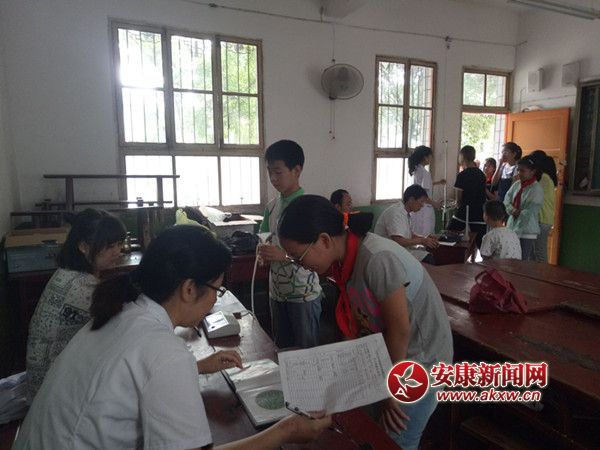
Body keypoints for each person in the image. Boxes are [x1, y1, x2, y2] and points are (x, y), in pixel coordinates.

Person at [14, 226, 331, 450]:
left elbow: (126, 376)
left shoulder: (121, 313)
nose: (215, 299)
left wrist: (196, 366)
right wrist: (286, 430)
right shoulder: (163, 351)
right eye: (217, 289)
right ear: (189, 289)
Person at [277, 195, 453, 450]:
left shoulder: (377, 258)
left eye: (297, 257)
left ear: (324, 240)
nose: (300, 266)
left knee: (396, 440)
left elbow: (400, 330)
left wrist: (389, 390)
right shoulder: (342, 262)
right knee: (370, 430)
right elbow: (355, 321)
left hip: (421, 360)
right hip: (388, 354)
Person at [25, 208, 126, 403]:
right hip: (51, 395)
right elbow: (121, 327)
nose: (117, 252)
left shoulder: (66, 273)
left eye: (119, 244)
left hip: (44, 384)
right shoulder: (81, 287)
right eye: (109, 246)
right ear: (83, 247)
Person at [257, 140, 322, 348]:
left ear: (297, 170)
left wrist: (282, 256)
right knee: (282, 352)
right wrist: (262, 254)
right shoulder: (271, 206)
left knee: (307, 354)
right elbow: (264, 238)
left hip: (303, 295)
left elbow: (318, 256)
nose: (273, 178)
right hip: (277, 294)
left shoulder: (309, 207)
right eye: (269, 172)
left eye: (278, 172)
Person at [374, 184, 439, 263]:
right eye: (421, 201)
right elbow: (398, 241)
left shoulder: (405, 213)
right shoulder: (396, 212)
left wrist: (426, 238)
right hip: (388, 253)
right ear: (411, 199)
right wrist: (422, 241)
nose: (422, 205)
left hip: (398, 250)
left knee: (431, 251)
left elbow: (409, 235)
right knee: (429, 258)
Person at [503, 157, 544, 261]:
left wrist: (517, 213)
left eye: (523, 171)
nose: (519, 173)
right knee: (511, 258)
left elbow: (529, 212)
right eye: (518, 170)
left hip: (527, 231)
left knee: (523, 261)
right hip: (512, 228)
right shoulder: (517, 185)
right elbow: (506, 200)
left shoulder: (536, 189)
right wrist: (512, 210)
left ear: (532, 172)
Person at [447, 145, 487, 249]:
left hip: (464, 212)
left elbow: (458, 199)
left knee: (448, 234)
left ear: (462, 157)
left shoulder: (462, 175)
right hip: (479, 213)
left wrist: (455, 204)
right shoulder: (482, 175)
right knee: (482, 244)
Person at [408, 145, 445, 236]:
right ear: (425, 157)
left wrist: (438, 182)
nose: (432, 158)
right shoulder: (425, 173)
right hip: (424, 208)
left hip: (416, 208)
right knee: (426, 236)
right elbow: (422, 195)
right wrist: (435, 204)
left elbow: (421, 187)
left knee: (416, 234)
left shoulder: (416, 170)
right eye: (431, 156)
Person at [529, 150, 557, 263]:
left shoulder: (544, 178)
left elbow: (531, 193)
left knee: (539, 253)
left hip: (542, 219)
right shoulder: (544, 178)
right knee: (533, 253)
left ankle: (543, 273)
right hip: (540, 220)